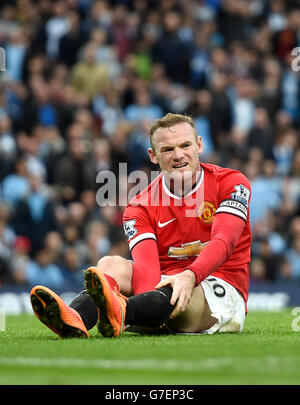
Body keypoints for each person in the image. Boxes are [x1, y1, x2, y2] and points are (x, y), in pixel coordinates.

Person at [30, 113, 252, 338]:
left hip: (217, 286)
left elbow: (224, 242)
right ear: (153, 156)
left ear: (199, 145)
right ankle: (75, 318)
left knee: (180, 289)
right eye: (167, 149)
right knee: (109, 265)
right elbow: (147, 272)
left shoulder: (231, 183)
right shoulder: (139, 205)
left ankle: (123, 311)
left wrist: (190, 275)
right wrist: (150, 297)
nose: (178, 155)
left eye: (185, 145)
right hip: (161, 288)